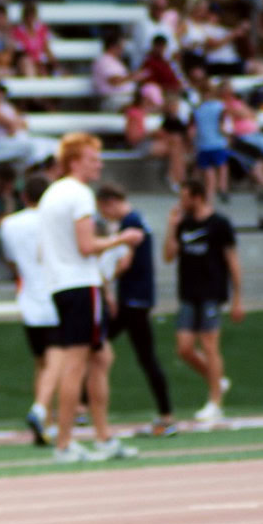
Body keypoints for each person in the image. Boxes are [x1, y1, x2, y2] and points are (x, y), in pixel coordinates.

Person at [37, 132, 142, 463]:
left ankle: (102, 437)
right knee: (76, 364)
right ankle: (65, 443)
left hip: (62, 284)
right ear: (74, 161)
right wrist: (121, 239)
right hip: (80, 285)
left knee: (101, 357)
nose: (99, 163)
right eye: (92, 158)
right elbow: (86, 246)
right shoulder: (79, 194)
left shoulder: (52, 194)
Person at [96, 183, 174, 436]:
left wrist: (105, 276)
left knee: (96, 345)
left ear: (109, 202)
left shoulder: (130, 222)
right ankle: (165, 413)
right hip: (137, 298)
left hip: (132, 300)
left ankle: (166, 415)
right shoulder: (138, 219)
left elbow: (125, 261)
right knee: (141, 356)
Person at [162, 178, 242, 425]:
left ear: (197, 197)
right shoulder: (182, 223)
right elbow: (168, 256)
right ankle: (218, 380)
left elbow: (232, 261)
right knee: (184, 348)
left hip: (211, 291)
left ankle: (215, 402)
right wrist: (171, 227)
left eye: (185, 197)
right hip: (188, 292)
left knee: (209, 345)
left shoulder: (219, 224)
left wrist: (238, 297)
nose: (181, 203)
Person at [0, 173, 60, 445]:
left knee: (41, 363)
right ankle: (44, 411)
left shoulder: (10, 224)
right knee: (60, 362)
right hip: (58, 297)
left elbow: (12, 262)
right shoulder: (54, 220)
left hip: (30, 300)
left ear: (24, 197)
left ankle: (44, 419)